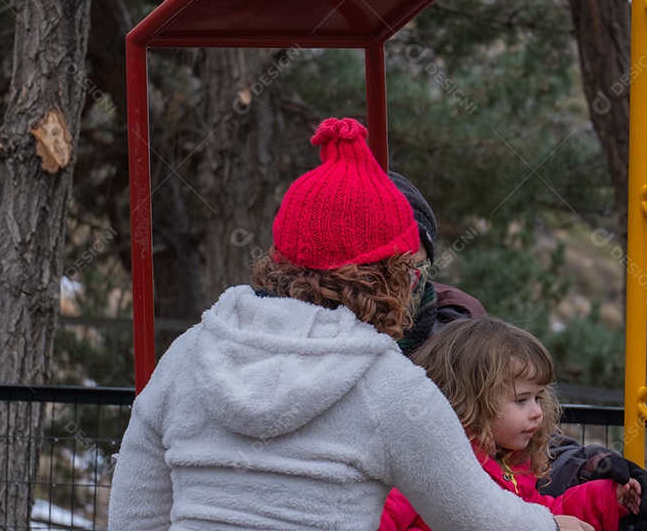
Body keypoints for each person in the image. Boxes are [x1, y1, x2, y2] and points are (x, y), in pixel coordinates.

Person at [108, 118, 594, 531]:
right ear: (390, 276)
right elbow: (475, 516)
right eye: (409, 269)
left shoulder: (189, 354)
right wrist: (555, 526)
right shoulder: (388, 385)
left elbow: (134, 515)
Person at [388, 172, 647, 531]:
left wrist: (596, 481)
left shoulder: (460, 327)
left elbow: (535, 499)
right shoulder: (431, 459)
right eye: (386, 267)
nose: (402, 281)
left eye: (415, 265)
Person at [379, 317, 641, 531]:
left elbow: (543, 516)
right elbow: (378, 520)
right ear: (473, 400)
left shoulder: (512, 464)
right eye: (521, 400)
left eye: (538, 398)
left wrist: (604, 498)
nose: (537, 412)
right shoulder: (427, 460)